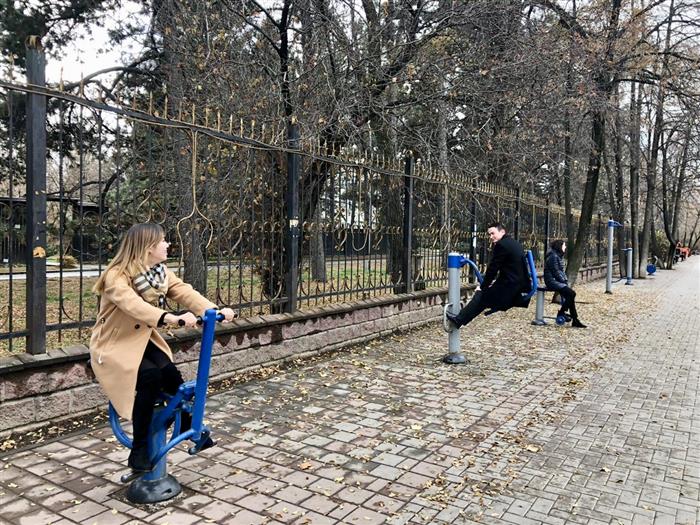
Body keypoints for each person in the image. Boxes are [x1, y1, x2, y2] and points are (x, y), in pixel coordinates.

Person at [90, 223, 235, 472]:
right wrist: (169, 318)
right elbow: (133, 305)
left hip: (142, 341)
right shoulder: (116, 275)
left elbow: (184, 292)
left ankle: (189, 425)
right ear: (148, 247)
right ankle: (139, 450)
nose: (167, 244)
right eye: (162, 241)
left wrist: (213, 310)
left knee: (172, 377)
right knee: (150, 376)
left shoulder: (159, 272)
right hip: (114, 345)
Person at [446, 222, 529, 329]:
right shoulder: (513, 243)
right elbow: (509, 269)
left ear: (502, 232)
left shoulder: (501, 245)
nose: (491, 237)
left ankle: (459, 320)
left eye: (493, 233)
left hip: (512, 290)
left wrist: (483, 286)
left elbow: (493, 269)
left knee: (481, 295)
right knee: (484, 297)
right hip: (519, 286)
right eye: (489, 234)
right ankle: (460, 319)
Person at [544, 239, 586, 328]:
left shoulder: (557, 256)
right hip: (552, 281)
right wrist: (564, 281)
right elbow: (556, 272)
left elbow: (560, 272)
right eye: (564, 245)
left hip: (556, 281)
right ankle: (561, 312)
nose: (565, 247)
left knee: (570, 296)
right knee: (572, 294)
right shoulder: (553, 257)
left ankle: (575, 320)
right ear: (559, 246)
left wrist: (564, 280)